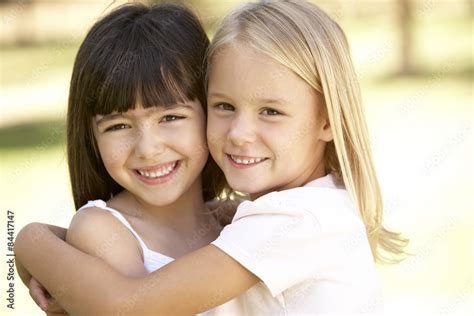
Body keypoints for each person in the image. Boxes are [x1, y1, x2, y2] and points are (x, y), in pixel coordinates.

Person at [16, 1, 408, 314]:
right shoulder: (282, 211)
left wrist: (27, 242)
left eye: (271, 111)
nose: (238, 133)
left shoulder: (298, 220)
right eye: (224, 106)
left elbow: (127, 307)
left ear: (328, 121)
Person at [15, 2, 233, 314]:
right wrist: (27, 241)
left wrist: (30, 243)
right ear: (91, 135)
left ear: (212, 110)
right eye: (118, 125)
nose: (147, 148)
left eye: (170, 117)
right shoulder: (103, 231)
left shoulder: (235, 218)